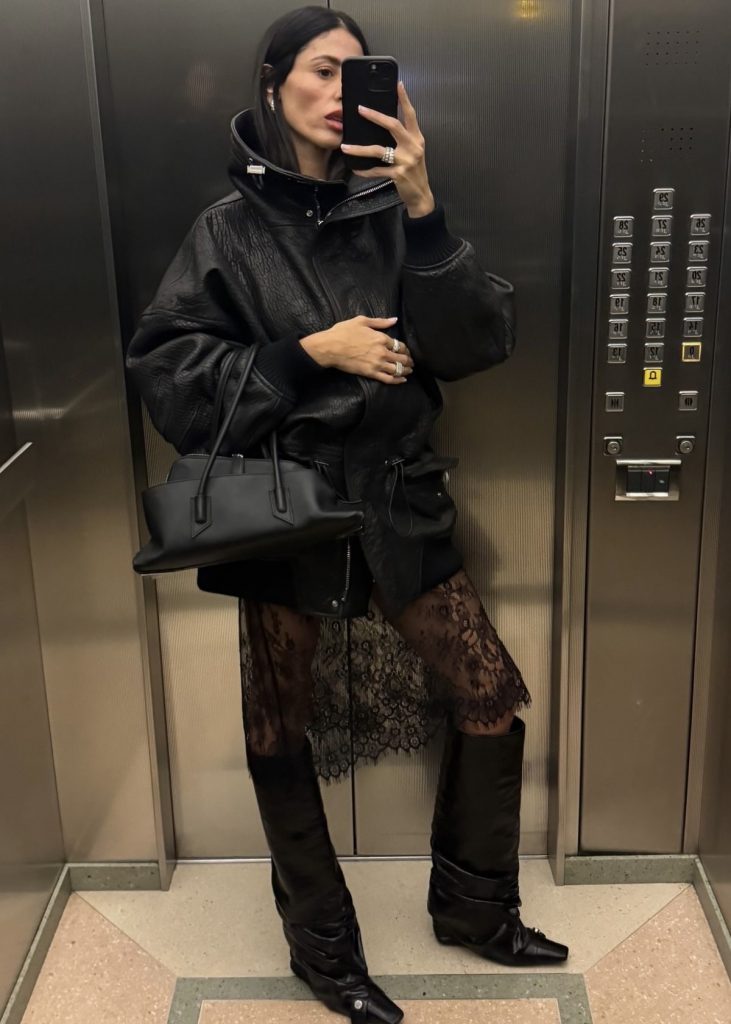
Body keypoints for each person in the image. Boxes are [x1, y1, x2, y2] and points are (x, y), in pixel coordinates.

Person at [125, 6, 568, 1022]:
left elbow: (476, 342)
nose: (336, 93)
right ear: (272, 82)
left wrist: (422, 206)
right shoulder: (226, 231)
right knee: (277, 726)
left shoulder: (391, 212)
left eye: (354, 73)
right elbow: (169, 379)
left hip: (397, 501)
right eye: (318, 72)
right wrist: (306, 355)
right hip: (282, 507)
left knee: (489, 695)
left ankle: (473, 909)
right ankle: (323, 952)